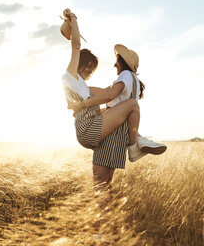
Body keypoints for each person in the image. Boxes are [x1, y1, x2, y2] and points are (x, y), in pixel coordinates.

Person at [62, 10, 147, 162]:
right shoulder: (70, 76)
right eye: (88, 65)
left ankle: (139, 139)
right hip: (88, 129)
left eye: (92, 68)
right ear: (79, 62)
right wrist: (73, 18)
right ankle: (134, 146)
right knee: (132, 105)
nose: (89, 70)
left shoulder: (83, 87)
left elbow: (108, 94)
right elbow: (76, 45)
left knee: (120, 107)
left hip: (89, 127)